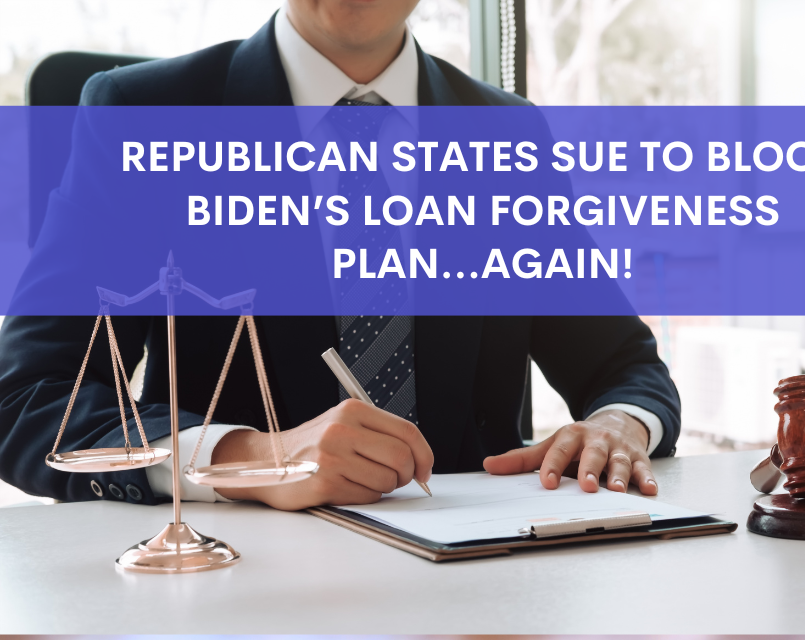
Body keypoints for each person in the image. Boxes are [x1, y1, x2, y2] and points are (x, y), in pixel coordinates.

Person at [0, 0, 680, 511]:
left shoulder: (506, 135)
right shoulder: (145, 115)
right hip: (239, 584)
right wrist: (250, 458)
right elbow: (25, 398)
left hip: (477, 577)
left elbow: (623, 367)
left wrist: (619, 426)